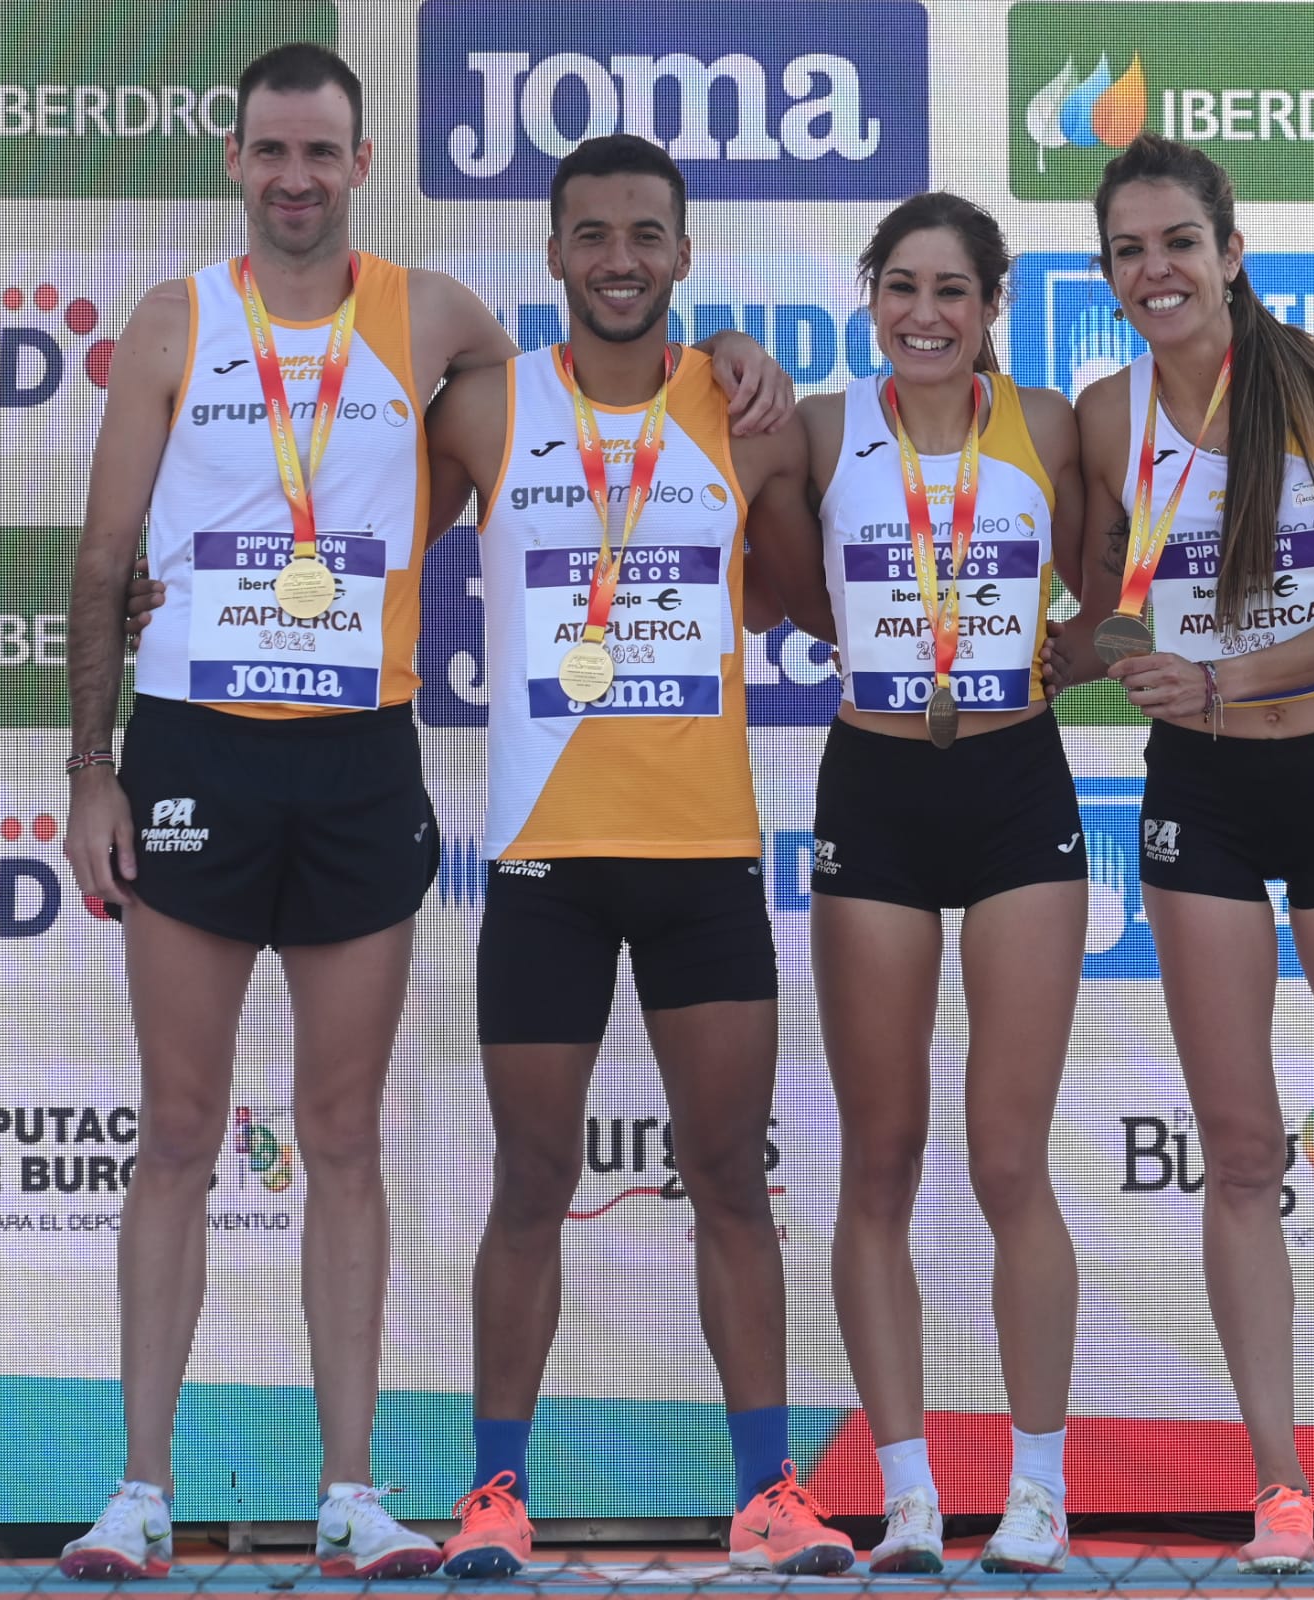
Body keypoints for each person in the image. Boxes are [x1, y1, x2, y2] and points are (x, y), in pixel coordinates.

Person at [60, 47, 786, 1581]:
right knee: (179, 1128)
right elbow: (102, 550)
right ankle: (135, 1492)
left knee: (341, 1134)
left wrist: (728, 345)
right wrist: (89, 770)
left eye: (320, 149)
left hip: (361, 757)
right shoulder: (175, 321)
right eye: (270, 149)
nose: (294, 175)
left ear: (363, 158)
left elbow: (569, 420)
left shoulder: (442, 319)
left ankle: (348, 1492)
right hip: (195, 750)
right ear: (236, 161)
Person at [418, 134, 854, 1580]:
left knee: (730, 1176)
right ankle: (494, 1495)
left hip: (704, 857)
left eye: (645, 236)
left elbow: (811, 601)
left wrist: (760, 404)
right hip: (543, 865)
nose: (618, 259)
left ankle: (768, 1495)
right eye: (591, 234)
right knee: (530, 1180)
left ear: (681, 254)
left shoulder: (751, 417)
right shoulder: (481, 410)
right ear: (551, 255)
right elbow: (351, 526)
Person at [1053, 131, 1314, 1574]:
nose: (1154, 270)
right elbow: (1107, 608)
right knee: (1239, 1153)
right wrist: (1097, 659)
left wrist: (1226, 674)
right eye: (1126, 251)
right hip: (1201, 800)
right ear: (1104, 276)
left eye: (1177, 241)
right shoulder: (1107, 416)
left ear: (1228, 251)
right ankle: (1278, 1477)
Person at [789, 193, 1088, 1574]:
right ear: (869, 295)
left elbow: (1103, 581)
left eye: (953, 291)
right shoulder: (813, 423)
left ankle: (1038, 1487)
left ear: (992, 303)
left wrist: (1087, 652)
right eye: (901, 286)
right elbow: (779, 586)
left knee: (1009, 1158)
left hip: (1017, 786)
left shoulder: (1051, 423)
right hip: (874, 789)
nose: (925, 313)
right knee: (881, 1158)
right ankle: (906, 1492)